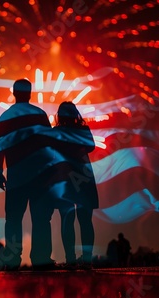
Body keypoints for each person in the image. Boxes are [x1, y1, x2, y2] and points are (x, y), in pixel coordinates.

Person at [0, 78, 55, 270]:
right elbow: (49, 143)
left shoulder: (5, 117)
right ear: (30, 93)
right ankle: (41, 258)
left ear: (13, 93)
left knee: (13, 218)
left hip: (16, 176)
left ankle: (12, 259)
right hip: (40, 175)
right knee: (42, 218)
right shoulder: (40, 114)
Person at [49, 101, 98, 269]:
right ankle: (87, 259)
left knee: (66, 219)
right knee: (86, 220)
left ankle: (70, 259)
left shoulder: (56, 132)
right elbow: (91, 146)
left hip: (63, 177)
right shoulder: (83, 130)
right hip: (83, 176)